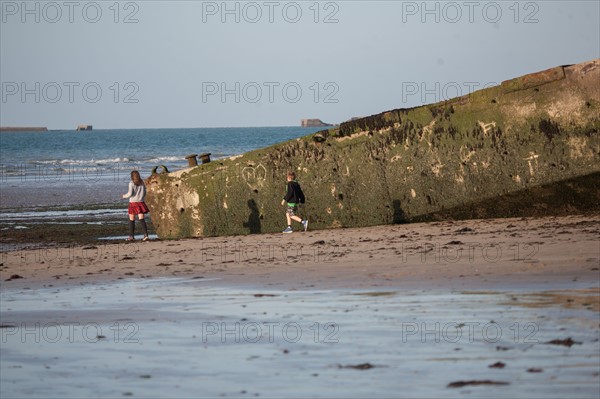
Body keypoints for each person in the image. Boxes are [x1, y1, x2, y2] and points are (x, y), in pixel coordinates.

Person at [122, 170, 150, 241]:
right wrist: (141, 198)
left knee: (132, 220)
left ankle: (131, 236)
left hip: (133, 203)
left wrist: (124, 196)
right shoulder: (142, 182)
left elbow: (130, 193)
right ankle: (146, 235)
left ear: (132, 176)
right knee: (142, 219)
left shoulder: (131, 183)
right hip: (141, 202)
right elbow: (144, 192)